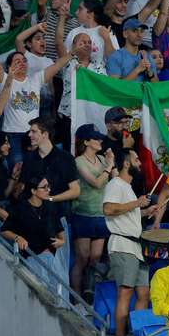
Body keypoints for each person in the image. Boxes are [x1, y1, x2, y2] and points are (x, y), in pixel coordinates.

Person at [104, 148, 156, 336]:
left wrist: (145, 211)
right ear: (126, 163)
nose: (140, 163)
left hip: (135, 247)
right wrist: (137, 203)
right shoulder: (116, 184)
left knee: (144, 293)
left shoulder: (127, 187)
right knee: (125, 292)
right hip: (123, 244)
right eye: (136, 159)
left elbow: (126, 213)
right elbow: (108, 209)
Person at [1, 51, 71, 168]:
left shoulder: (35, 79)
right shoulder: (4, 79)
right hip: (13, 135)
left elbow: (57, 65)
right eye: (17, 61)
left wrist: (72, 52)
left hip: (34, 134)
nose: (22, 63)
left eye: (24, 61)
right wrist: (9, 75)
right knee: (16, 169)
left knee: (35, 168)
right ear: (8, 67)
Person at [1, 176, 67, 288]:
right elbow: (4, 230)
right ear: (33, 191)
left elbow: (59, 230)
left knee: (59, 291)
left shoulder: (50, 207)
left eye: (48, 187)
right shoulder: (20, 209)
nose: (48, 190)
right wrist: (17, 238)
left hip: (53, 258)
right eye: (44, 187)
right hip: (33, 257)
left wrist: (62, 241)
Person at [71, 126, 113, 297]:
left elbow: (115, 179)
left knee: (95, 258)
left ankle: (89, 295)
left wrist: (112, 163)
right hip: (83, 214)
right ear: (86, 142)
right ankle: (75, 295)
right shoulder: (79, 161)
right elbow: (95, 183)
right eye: (96, 139)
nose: (100, 141)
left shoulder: (103, 159)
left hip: (100, 214)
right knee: (82, 258)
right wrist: (109, 166)